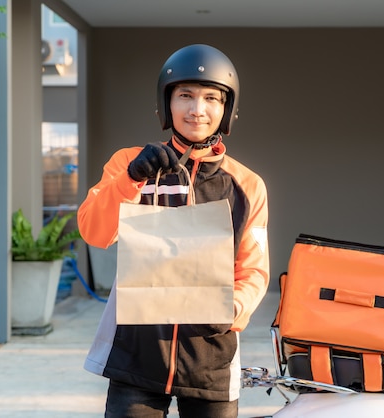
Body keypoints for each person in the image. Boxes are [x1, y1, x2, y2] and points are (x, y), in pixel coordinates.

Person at [78, 44, 270, 418]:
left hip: (210, 355)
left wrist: (232, 310)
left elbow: (254, 269)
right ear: (167, 104)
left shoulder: (247, 185)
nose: (197, 109)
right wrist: (132, 178)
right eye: (185, 96)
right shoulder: (128, 164)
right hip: (137, 352)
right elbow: (93, 231)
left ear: (226, 109)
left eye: (211, 98)